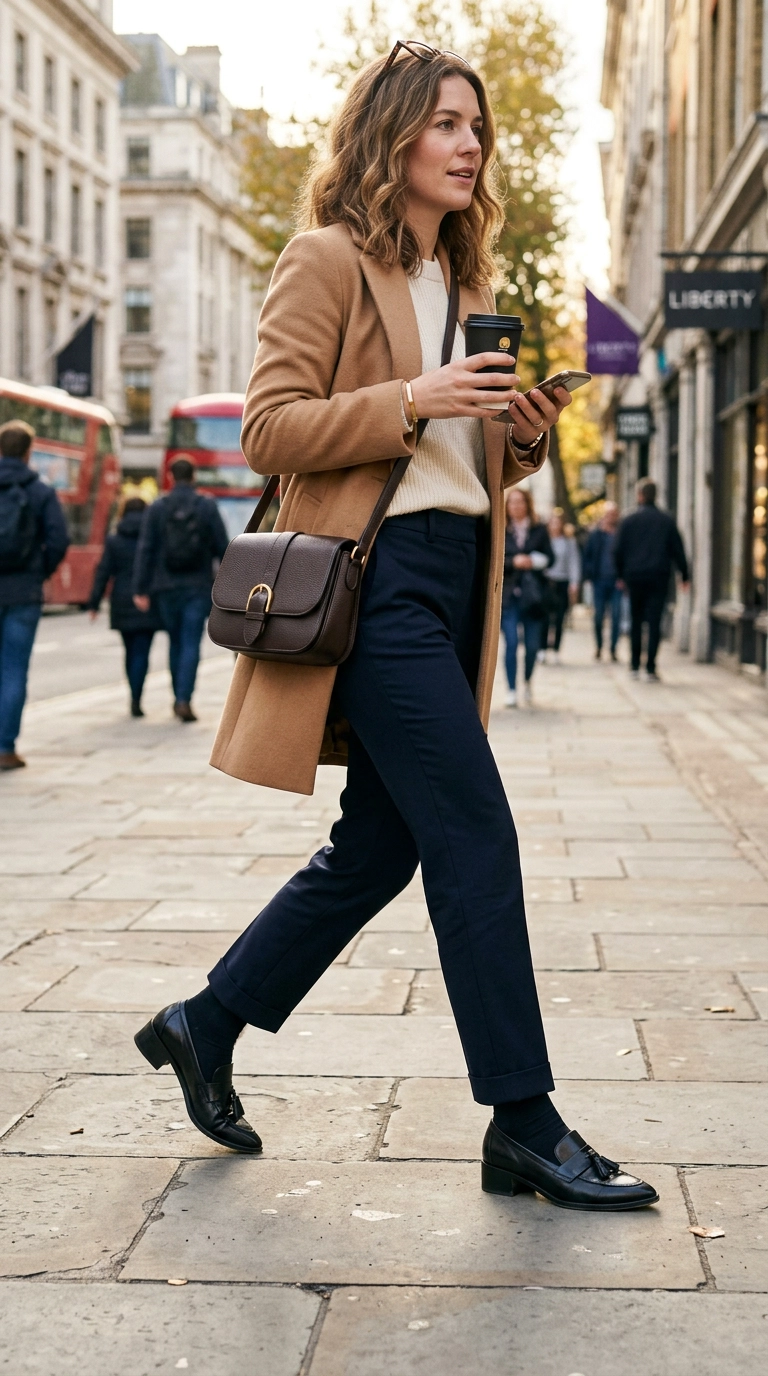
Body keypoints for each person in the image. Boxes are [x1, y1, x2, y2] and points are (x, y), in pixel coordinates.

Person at [134, 42, 657, 1212]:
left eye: (478, 126)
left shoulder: (471, 289)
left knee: (382, 842)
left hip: (451, 575)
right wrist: (415, 399)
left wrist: (516, 432)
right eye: (447, 124)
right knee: (475, 825)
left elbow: (468, 472)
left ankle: (204, 1022)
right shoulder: (324, 259)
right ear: (394, 137)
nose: (471, 143)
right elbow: (271, 431)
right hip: (368, 586)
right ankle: (524, 1119)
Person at [133, 458, 228, 721]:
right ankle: (183, 698)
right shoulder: (206, 506)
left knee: (175, 641)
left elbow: (146, 548)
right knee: (190, 643)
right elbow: (223, 547)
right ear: (194, 475)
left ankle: (178, 694)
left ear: (170, 476)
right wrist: (230, 583)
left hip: (165, 586)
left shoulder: (158, 507)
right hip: (198, 586)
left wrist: (140, 587)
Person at [0, 420, 69, 771]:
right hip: (23, 591)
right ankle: (6, 748)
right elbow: (59, 539)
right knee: (13, 670)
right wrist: (37, 571)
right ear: (29, 452)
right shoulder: (40, 490)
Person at [86, 497, 162, 717]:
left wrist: (94, 603)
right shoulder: (153, 537)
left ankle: (133, 693)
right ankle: (137, 697)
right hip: (146, 599)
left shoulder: (114, 539)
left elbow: (103, 572)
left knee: (129, 651)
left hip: (121, 600)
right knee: (142, 652)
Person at [614, 478, 689, 681]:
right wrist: (685, 575)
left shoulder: (628, 521)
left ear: (639, 495)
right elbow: (678, 549)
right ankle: (650, 667)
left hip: (635, 577)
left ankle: (634, 665)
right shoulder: (666, 520)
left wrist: (620, 576)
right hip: (658, 577)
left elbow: (618, 551)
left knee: (636, 621)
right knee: (655, 622)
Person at [501, 488, 553, 705]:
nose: (516, 506)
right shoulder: (501, 529)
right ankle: (512, 689)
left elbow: (551, 558)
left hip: (533, 597)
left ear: (527, 504)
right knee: (511, 643)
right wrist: (513, 562)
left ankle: (528, 681)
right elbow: (492, 558)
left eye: (520, 502)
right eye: (512, 502)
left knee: (532, 646)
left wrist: (532, 561)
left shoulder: (539, 529)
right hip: (508, 597)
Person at [582, 500, 622, 661]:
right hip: (599, 581)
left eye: (613, 514)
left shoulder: (620, 534)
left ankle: (613, 649)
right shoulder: (595, 535)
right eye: (608, 514)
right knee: (598, 616)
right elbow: (587, 557)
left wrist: (623, 577)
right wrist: (589, 576)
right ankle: (599, 646)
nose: (610, 517)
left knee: (617, 616)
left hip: (616, 582)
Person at [541, 508, 580, 664]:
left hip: (562, 583)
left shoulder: (569, 542)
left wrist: (574, 583)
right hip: (546, 582)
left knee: (559, 618)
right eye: (552, 522)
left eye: (558, 522)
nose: (555, 525)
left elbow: (574, 563)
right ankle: (542, 649)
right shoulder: (544, 541)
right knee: (544, 618)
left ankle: (556, 650)